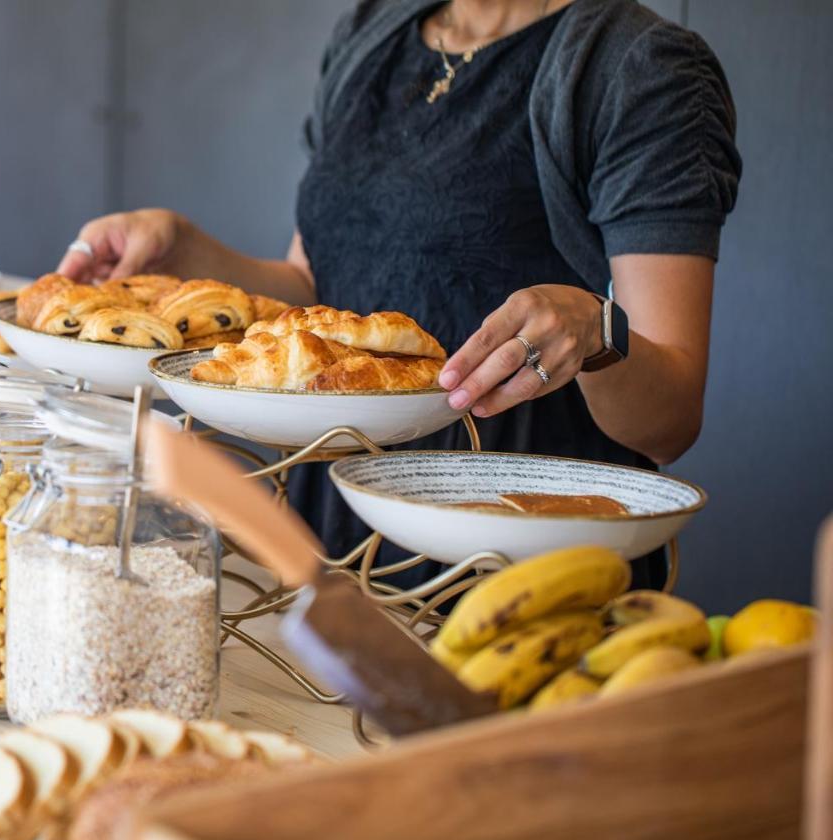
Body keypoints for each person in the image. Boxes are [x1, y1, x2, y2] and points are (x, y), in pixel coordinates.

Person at [57, 0, 741, 589]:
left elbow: (671, 419)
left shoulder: (637, 68)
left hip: (520, 560)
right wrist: (187, 251)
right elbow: (318, 297)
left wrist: (596, 330)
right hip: (343, 540)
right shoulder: (371, 33)